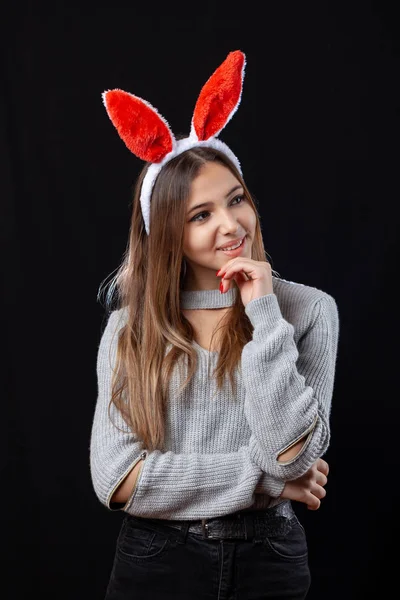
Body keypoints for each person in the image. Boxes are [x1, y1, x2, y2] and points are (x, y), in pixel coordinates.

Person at [90, 50, 339, 600]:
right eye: (200, 216)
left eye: (236, 200)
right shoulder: (131, 328)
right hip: (154, 561)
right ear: (168, 235)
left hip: (270, 559)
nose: (230, 226)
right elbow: (117, 479)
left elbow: (295, 451)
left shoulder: (309, 310)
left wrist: (262, 309)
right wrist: (267, 478)